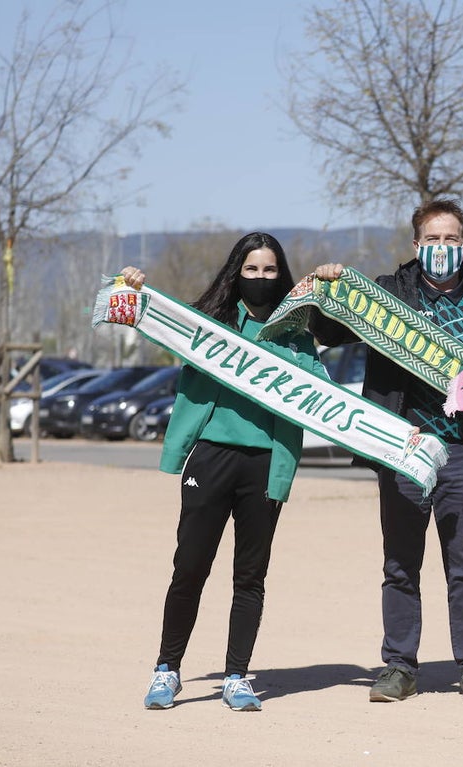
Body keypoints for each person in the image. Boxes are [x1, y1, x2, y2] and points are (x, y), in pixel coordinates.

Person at [313, 198, 463, 704]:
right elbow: (328, 331)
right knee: (401, 565)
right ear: (416, 245)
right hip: (403, 451)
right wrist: (327, 287)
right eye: (432, 239)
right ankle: (399, 667)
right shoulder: (385, 295)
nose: (441, 247)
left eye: (451, 239)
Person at [124, 232, 332, 712]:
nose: (260, 278)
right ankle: (167, 669)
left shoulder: (297, 335)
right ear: (236, 273)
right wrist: (132, 289)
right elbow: (154, 319)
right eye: (251, 269)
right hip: (211, 459)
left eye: (269, 270)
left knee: (250, 577)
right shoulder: (209, 324)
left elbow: (323, 397)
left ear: (281, 275)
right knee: (189, 568)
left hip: (266, 465)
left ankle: (237, 677)